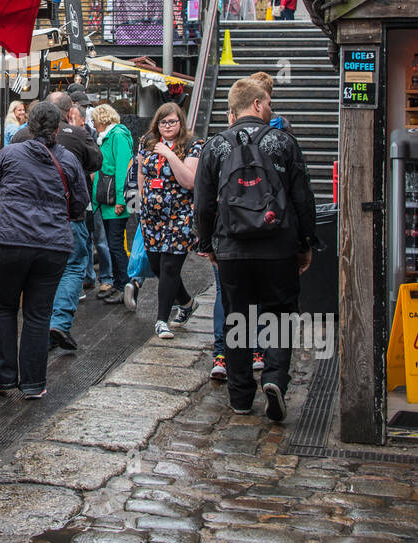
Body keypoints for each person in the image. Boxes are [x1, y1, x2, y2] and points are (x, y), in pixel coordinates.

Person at [193, 78, 317, 421]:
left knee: (238, 319)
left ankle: (241, 395)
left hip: (232, 247)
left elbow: (203, 204)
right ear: (259, 104)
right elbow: (303, 198)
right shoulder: (283, 141)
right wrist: (305, 243)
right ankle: (275, 377)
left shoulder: (215, 146)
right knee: (279, 313)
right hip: (278, 245)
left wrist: (208, 244)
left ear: (232, 111)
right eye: (269, 103)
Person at [0, 100, 89, 398]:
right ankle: (32, 383)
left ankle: (2, 378)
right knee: (38, 314)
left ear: (28, 125)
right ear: (58, 127)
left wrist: (11, 208)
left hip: (6, 240)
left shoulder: (10, 153)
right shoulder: (68, 160)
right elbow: (80, 205)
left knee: (3, 309)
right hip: (51, 246)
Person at [13, 90, 102, 352]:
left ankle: (38, 326)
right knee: (73, 266)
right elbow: (96, 162)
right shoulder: (77, 134)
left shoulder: (19, 136)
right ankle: (59, 321)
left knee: (38, 271)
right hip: (67, 216)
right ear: (68, 111)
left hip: (27, 220)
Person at [137, 102, 203, 339]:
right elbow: (142, 173)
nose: (167, 126)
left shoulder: (194, 145)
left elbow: (189, 181)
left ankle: (161, 320)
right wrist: (143, 201)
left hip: (180, 215)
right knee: (157, 265)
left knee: (170, 266)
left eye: (172, 121)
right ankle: (186, 302)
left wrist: (169, 155)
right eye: (163, 122)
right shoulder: (147, 143)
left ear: (181, 122)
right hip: (152, 217)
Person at [90, 103, 134, 304]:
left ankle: (125, 285)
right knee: (112, 244)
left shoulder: (117, 136)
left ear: (101, 120)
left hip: (114, 202)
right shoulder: (109, 136)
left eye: (94, 121)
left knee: (116, 246)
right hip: (106, 202)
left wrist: (121, 200)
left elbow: (123, 169)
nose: (93, 124)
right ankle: (119, 285)